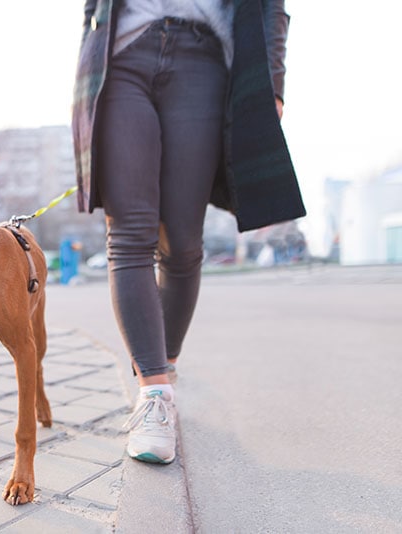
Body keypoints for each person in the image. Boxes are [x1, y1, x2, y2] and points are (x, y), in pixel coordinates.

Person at [71, 0, 306, 464]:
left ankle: (165, 370)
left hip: (205, 61)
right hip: (121, 57)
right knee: (130, 232)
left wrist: (273, 83)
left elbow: (271, 7)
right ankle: (154, 393)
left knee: (182, 244)